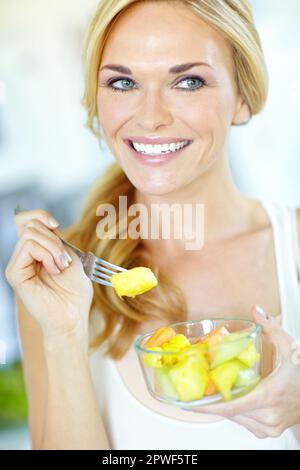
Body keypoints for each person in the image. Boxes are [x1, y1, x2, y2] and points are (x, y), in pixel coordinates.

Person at [5, 0, 300, 450]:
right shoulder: (58, 279)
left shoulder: (292, 249)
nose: (149, 116)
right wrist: (65, 335)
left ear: (241, 98)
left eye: (188, 81)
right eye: (123, 82)